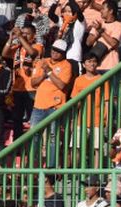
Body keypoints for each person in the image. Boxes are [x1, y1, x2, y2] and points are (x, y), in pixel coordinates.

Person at [30, 39, 72, 167]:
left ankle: (51, 166)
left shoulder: (66, 65)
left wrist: (48, 71)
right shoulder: (43, 62)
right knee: (34, 136)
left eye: (59, 51)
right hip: (38, 105)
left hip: (55, 107)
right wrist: (44, 74)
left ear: (63, 53)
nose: (55, 53)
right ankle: (33, 164)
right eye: (54, 49)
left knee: (53, 138)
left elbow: (61, 85)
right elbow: (33, 82)